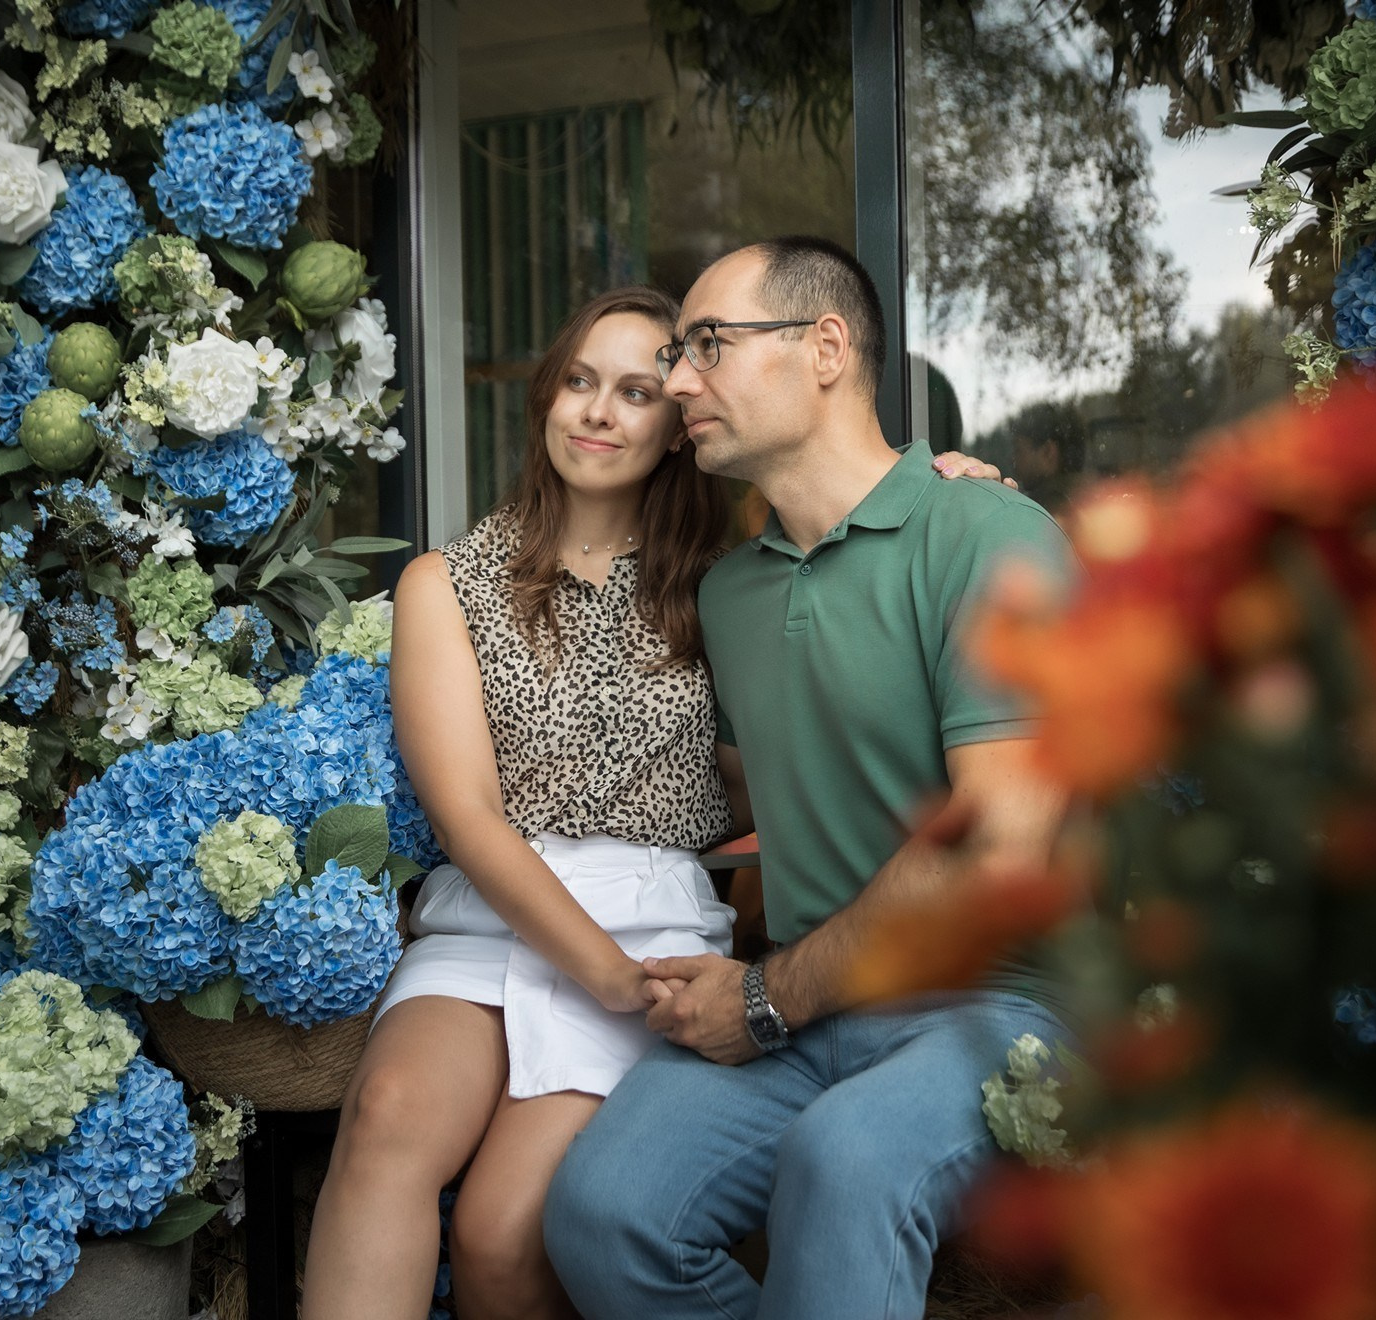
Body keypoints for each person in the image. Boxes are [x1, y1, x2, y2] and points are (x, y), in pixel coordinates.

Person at [302, 284, 1012, 1320]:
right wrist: (605, 975)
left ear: (679, 429)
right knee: (386, 1115)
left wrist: (954, 490)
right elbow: (466, 815)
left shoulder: (725, 587)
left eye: (638, 392)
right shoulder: (444, 582)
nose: (598, 411)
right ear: (546, 395)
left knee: (505, 1233)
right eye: (580, 382)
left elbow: (786, 743)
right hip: (494, 911)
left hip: (652, 921)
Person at [541, 237, 1078, 1320]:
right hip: (810, 1006)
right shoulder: (732, 594)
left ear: (826, 347)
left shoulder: (985, 536)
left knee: (845, 1164)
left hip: (1006, 1003)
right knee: (606, 1208)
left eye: (708, 346)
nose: (678, 379)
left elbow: (993, 848)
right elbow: (722, 803)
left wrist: (765, 1000)